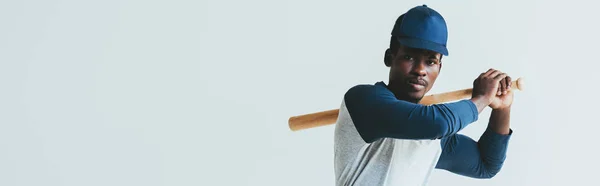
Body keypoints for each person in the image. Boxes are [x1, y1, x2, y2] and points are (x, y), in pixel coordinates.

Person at [333, 4, 514, 186]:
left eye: (430, 61)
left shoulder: (432, 137)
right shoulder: (363, 100)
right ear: (390, 57)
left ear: (439, 68)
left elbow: (486, 164)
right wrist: (482, 99)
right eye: (409, 57)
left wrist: (502, 108)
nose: (420, 70)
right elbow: (437, 123)